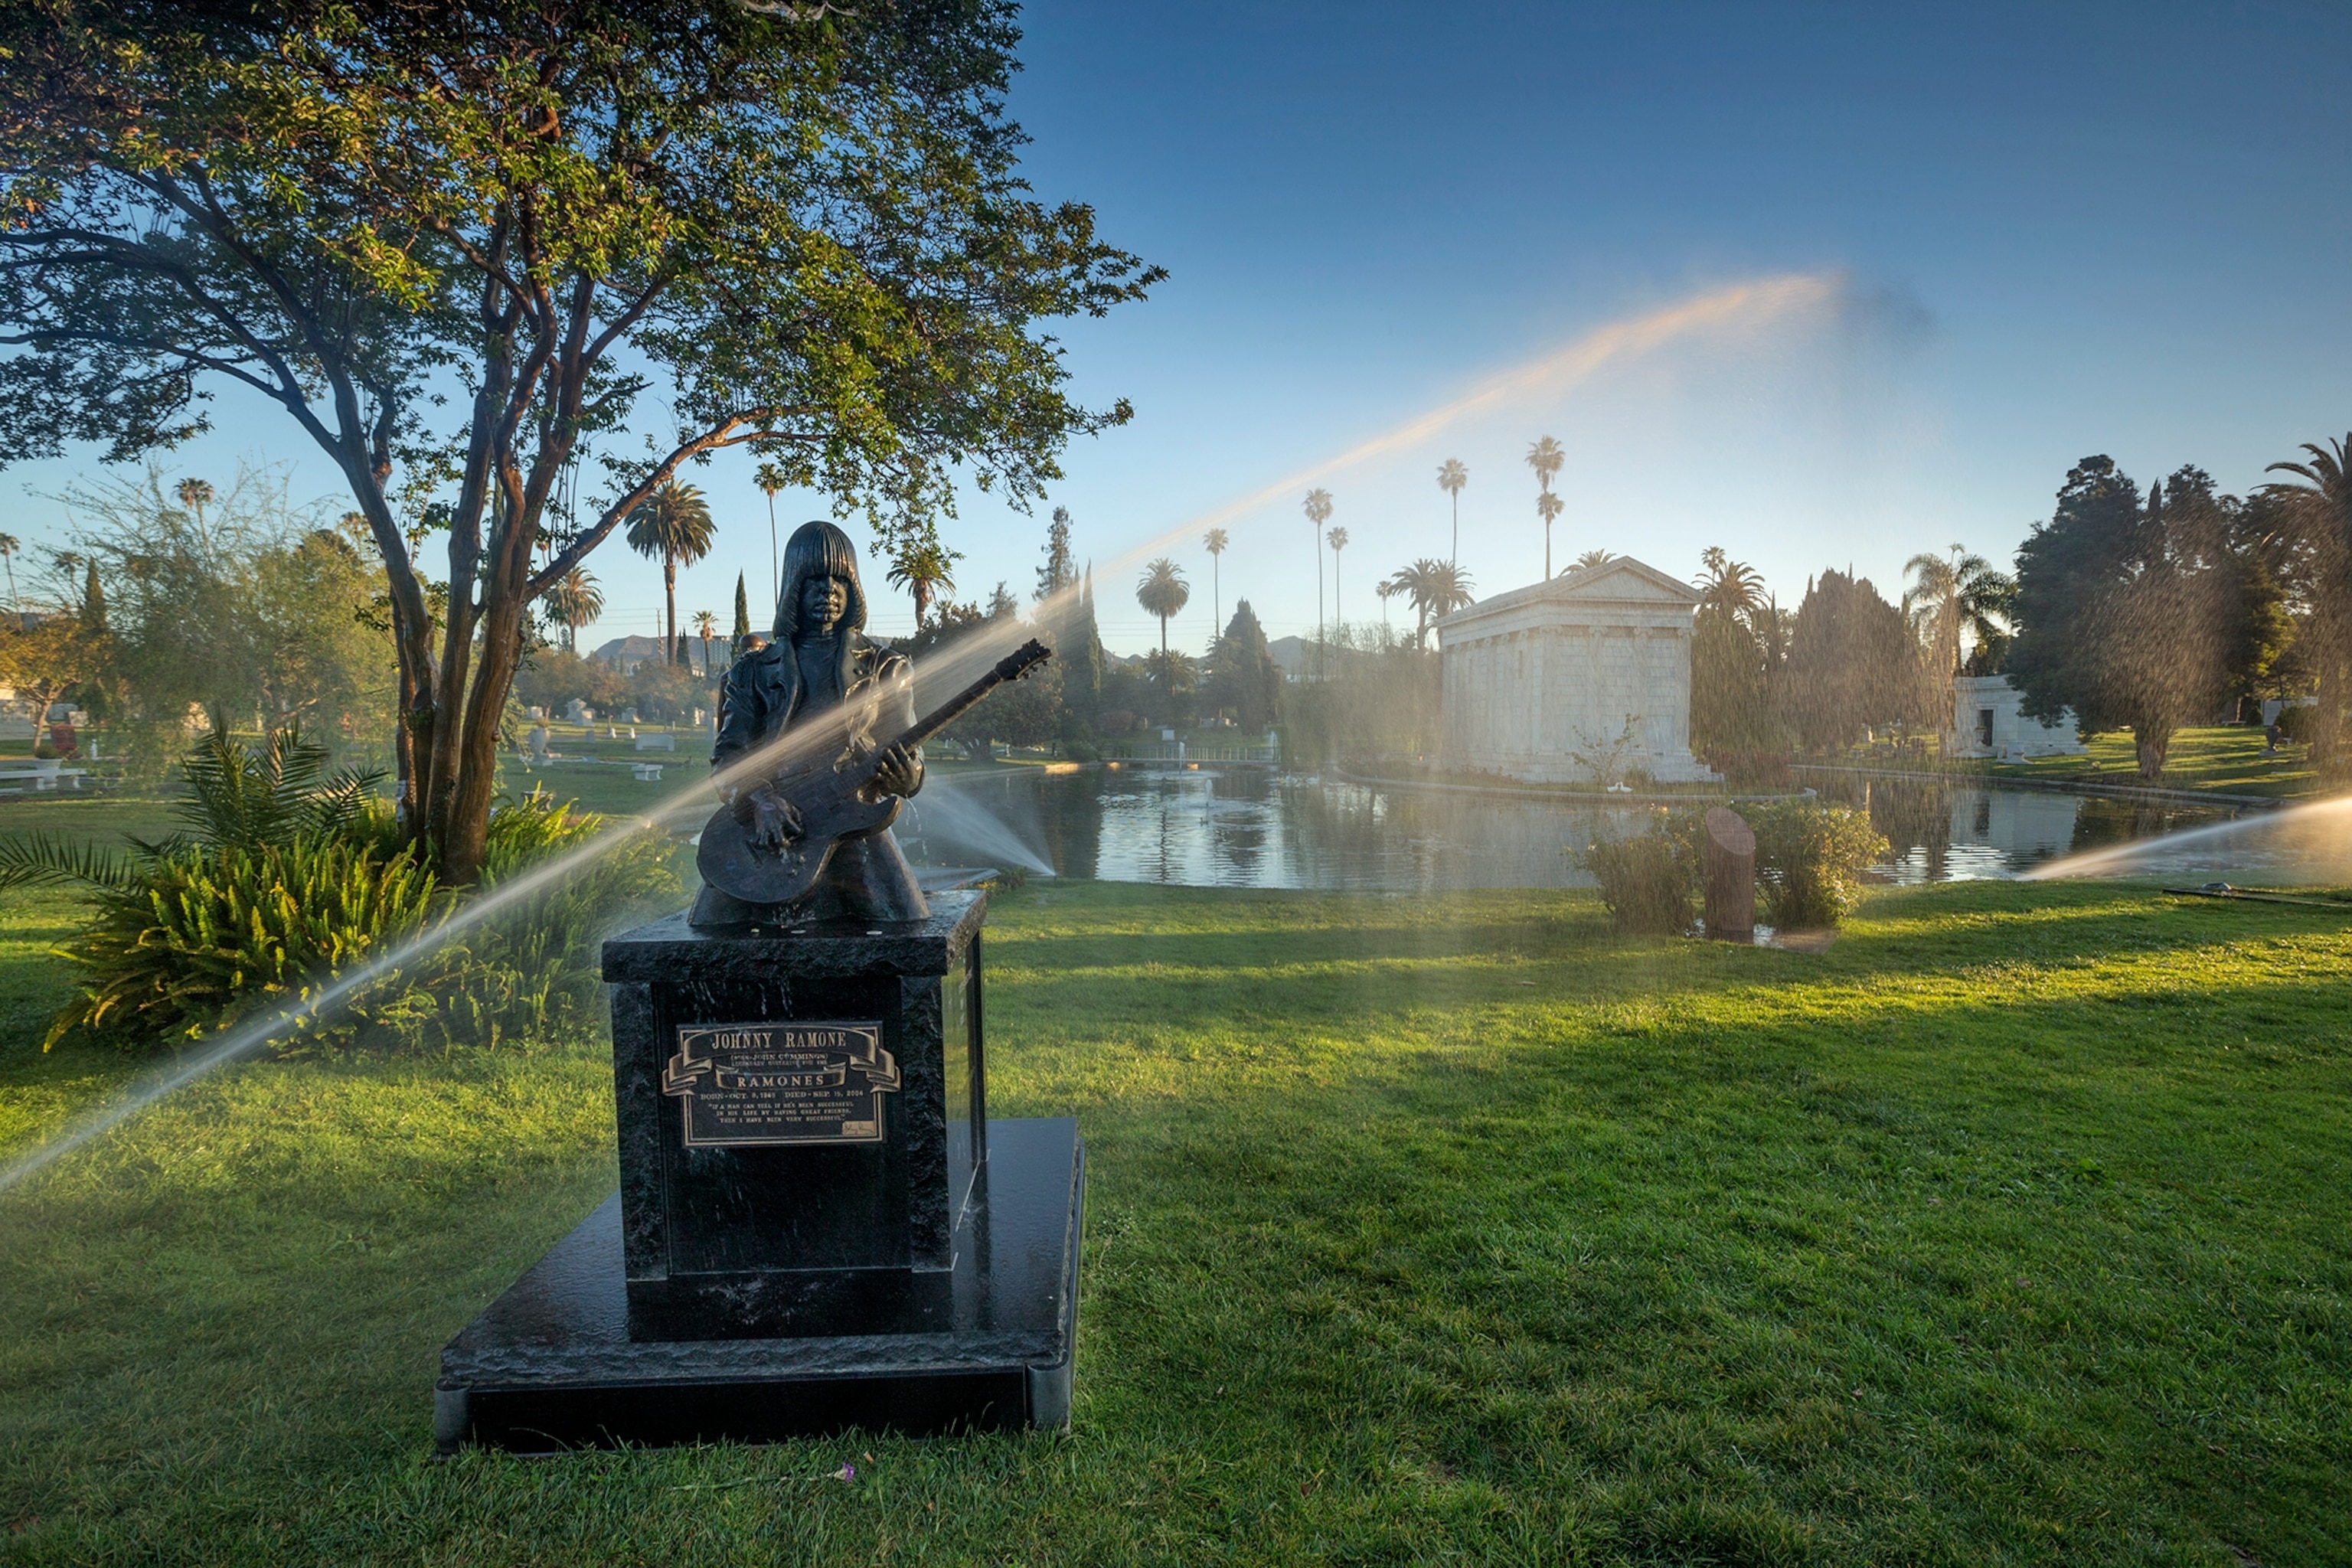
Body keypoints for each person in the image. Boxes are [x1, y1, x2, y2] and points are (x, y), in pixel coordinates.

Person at [688, 521, 929, 927]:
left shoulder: (886, 668)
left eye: (841, 580)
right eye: (815, 580)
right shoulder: (753, 671)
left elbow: (910, 756)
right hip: (771, 828)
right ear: (793, 588)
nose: (829, 592)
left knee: (907, 926)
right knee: (706, 934)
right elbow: (729, 757)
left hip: (853, 822)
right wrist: (760, 800)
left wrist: (909, 778)